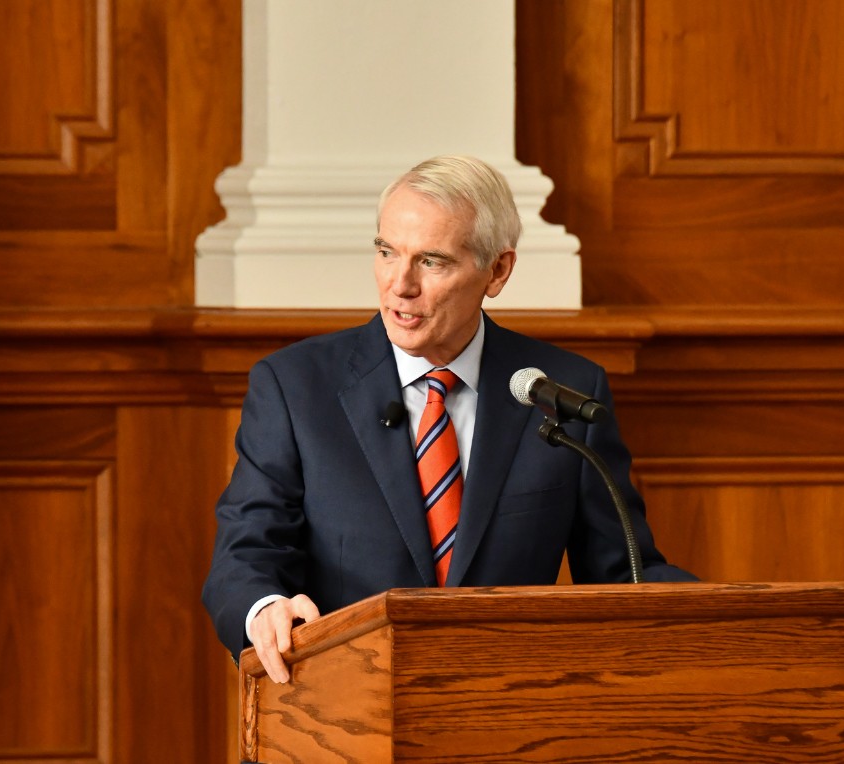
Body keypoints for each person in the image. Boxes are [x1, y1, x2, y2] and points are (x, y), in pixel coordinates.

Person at [201, 155, 694, 684]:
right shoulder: (295, 387)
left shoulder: (563, 393)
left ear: (497, 270)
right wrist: (264, 608)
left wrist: (735, 617)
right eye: (387, 252)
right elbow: (246, 552)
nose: (400, 284)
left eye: (431, 262)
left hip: (504, 713)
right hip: (340, 708)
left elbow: (625, 573)